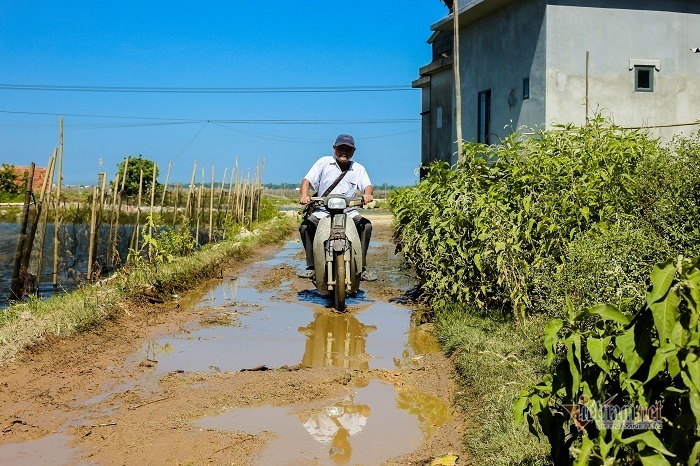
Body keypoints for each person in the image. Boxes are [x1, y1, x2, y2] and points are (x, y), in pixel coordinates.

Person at [298, 134, 376, 281]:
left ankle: (362, 267)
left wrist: (367, 195)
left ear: (354, 151)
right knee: (305, 227)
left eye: (348, 149)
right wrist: (304, 195)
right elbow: (307, 180)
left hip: (349, 212)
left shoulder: (358, 169)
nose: (344, 152)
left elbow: (368, 185)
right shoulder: (324, 162)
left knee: (366, 226)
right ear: (334, 149)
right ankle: (311, 266)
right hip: (323, 211)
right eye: (341, 148)